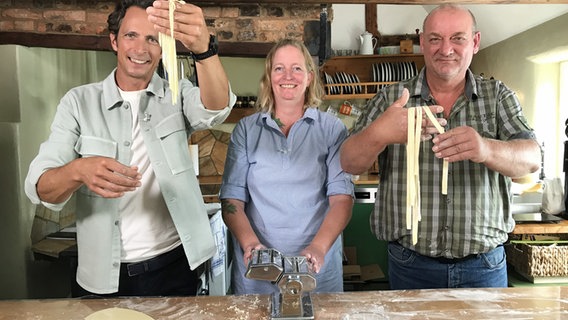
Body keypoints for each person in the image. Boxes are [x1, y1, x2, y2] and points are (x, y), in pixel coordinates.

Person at [24, 0, 236, 297]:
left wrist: (204, 49)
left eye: (153, 39)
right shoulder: (78, 103)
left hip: (174, 267)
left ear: (163, 48)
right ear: (114, 40)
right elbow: (40, 187)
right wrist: (78, 170)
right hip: (101, 277)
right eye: (131, 35)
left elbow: (216, 109)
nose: (141, 48)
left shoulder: (177, 94)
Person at [340, 4, 541, 290]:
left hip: (484, 267)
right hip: (410, 265)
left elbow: (532, 159)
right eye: (435, 38)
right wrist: (380, 133)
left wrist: (485, 149)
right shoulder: (392, 97)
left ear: (475, 41)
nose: (445, 49)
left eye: (457, 38)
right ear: (422, 42)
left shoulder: (497, 96)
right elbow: (348, 162)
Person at [219, 38, 354, 294]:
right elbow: (231, 199)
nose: (287, 76)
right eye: (279, 68)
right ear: (269, 77)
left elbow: (342, 199)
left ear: (310, 77)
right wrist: (250, 245)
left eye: (297, 68)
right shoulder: (246, 130)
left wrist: (318, 248)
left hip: (315, 270)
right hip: (257, 272)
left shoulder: (332, 129)